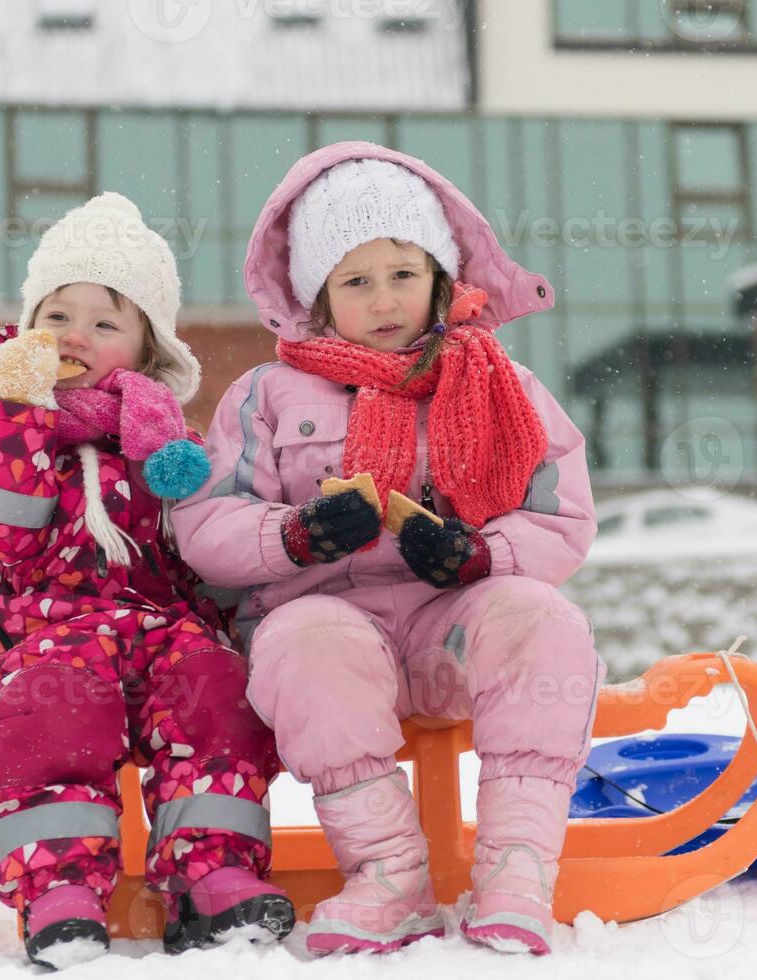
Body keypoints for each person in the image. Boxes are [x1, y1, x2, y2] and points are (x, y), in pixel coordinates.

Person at [172, 143, 605, 956]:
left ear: (440, 277)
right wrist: (292, 536)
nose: (383, 300)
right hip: (334, 628)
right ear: (316, 296)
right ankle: (388, 874)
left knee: (539, 619)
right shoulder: (264, 396)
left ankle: (517, 868)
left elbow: (561, 514)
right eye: (355, 281)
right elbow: (204, 521)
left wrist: (480, 558)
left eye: (402, 274)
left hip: (453, 627)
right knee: (302, 642)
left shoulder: (498, 382)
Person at [0, 193, 291, 969]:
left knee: (216, 693)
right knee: (53, 716)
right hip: (43, 634)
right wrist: (15, 409)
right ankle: (58, 888)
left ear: (144, 347)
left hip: (161, 632)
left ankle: (215, 873)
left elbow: (203, 546)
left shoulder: (169, 447)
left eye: (106, 323)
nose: (76, 336)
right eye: (57, 315)